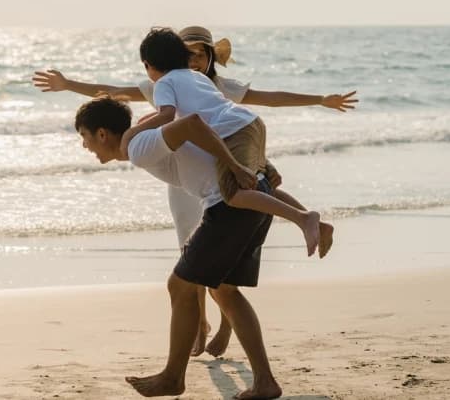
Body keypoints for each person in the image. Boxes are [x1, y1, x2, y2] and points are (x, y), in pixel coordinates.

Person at [33, 25, 356, 356]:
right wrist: (69, 85)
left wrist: (319, 100)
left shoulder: (180, 86)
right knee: (198, 257)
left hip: (223, 150)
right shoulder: (187, 83)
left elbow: (254, 102)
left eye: (202, 53)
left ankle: (304, 220)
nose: (196, 59)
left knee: (218, 235)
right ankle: (200, 326)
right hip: (205, 160)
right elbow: (114, 93)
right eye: (192, 53)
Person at [75, 97, 282, 399]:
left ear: (102, 134)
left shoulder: (138, 146)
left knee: (180, 286)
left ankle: (173, 377)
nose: (85, 146)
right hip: (247, 201)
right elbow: (203, 136)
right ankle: (265, 381)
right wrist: (263, 169)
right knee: (224, 290)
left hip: (228, 206)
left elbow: (192, 124)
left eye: (84, 136)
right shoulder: (141, 139)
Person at [126, 27, 333, 257]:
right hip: (247, 124)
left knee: (233, 194)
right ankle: (314, 224)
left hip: (233, 132)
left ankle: (305, 219)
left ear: (148, 65)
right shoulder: (197, 78)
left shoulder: (163, 84)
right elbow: (200, 112)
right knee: (259, 186)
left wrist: (133, 133)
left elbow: (166, 116)